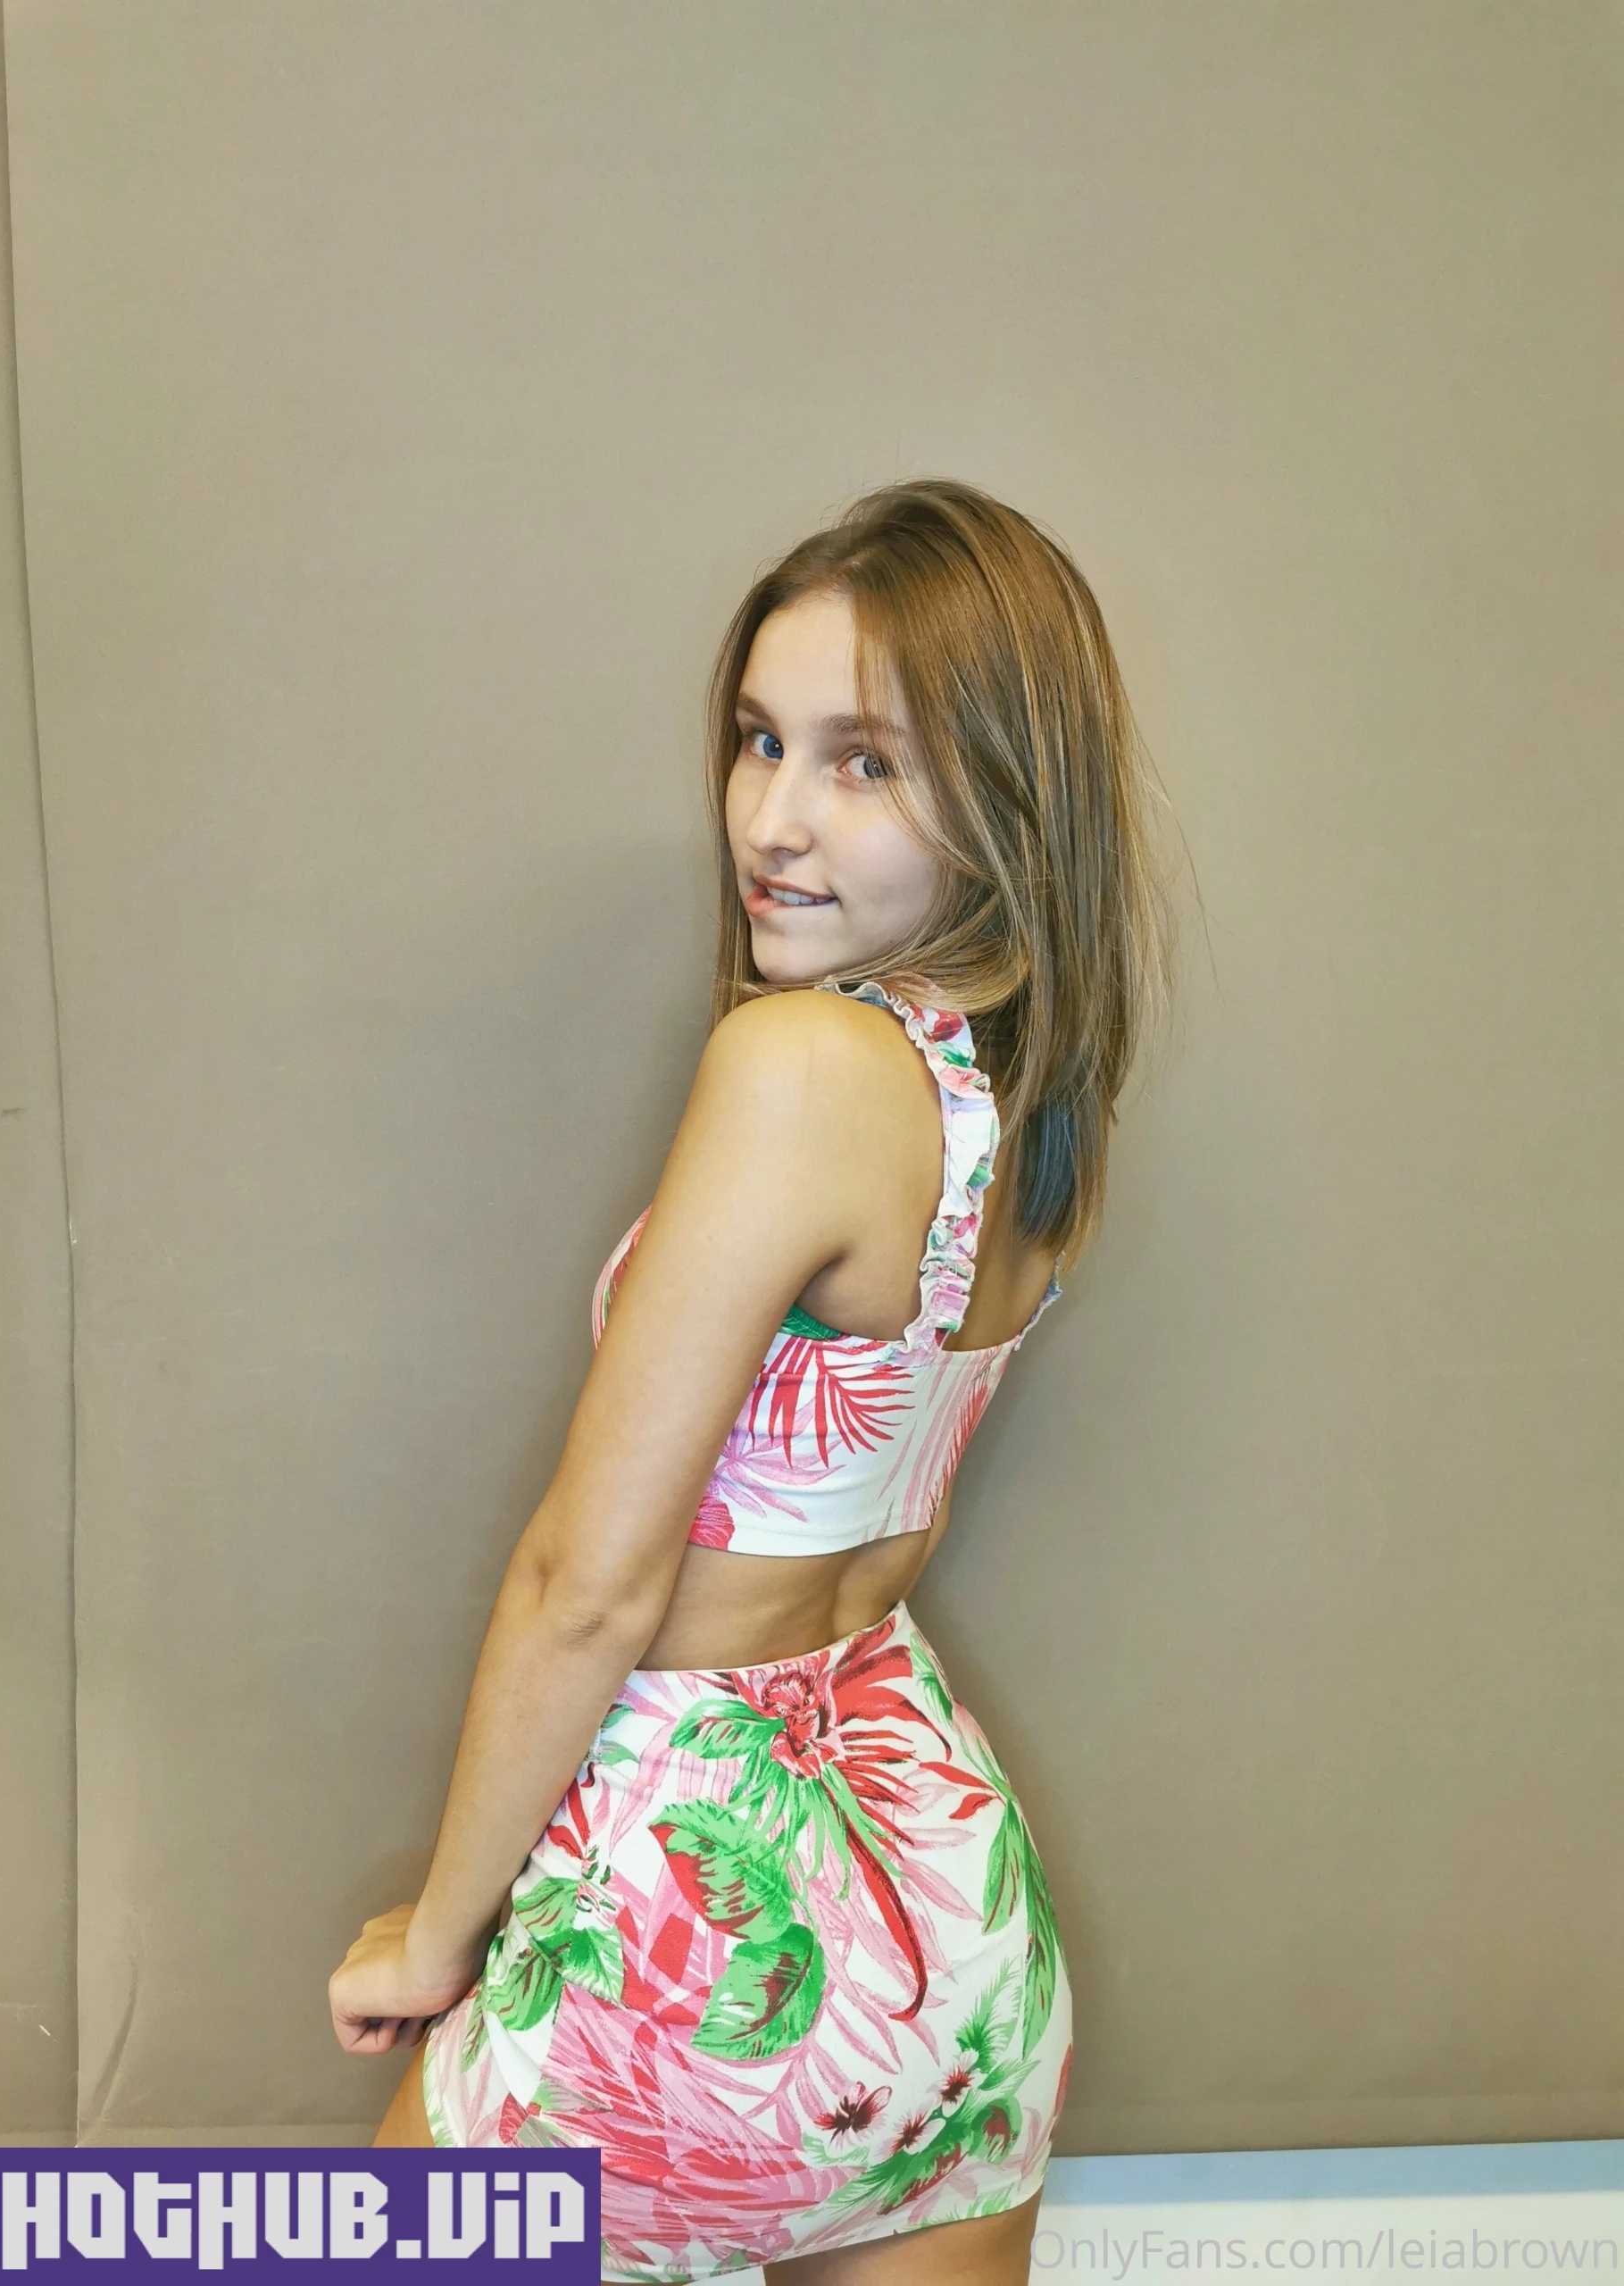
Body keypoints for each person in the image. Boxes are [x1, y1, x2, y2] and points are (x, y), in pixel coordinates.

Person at [328, 478, 1177, 2283]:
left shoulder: (801, 1067)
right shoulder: (1040, 1109)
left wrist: (439, 1934)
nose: (773, 821)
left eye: (865, 762)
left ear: (1009, 791)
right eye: (759, 739)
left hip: (692, 1924)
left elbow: (589, 1583)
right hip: (951, 1923)